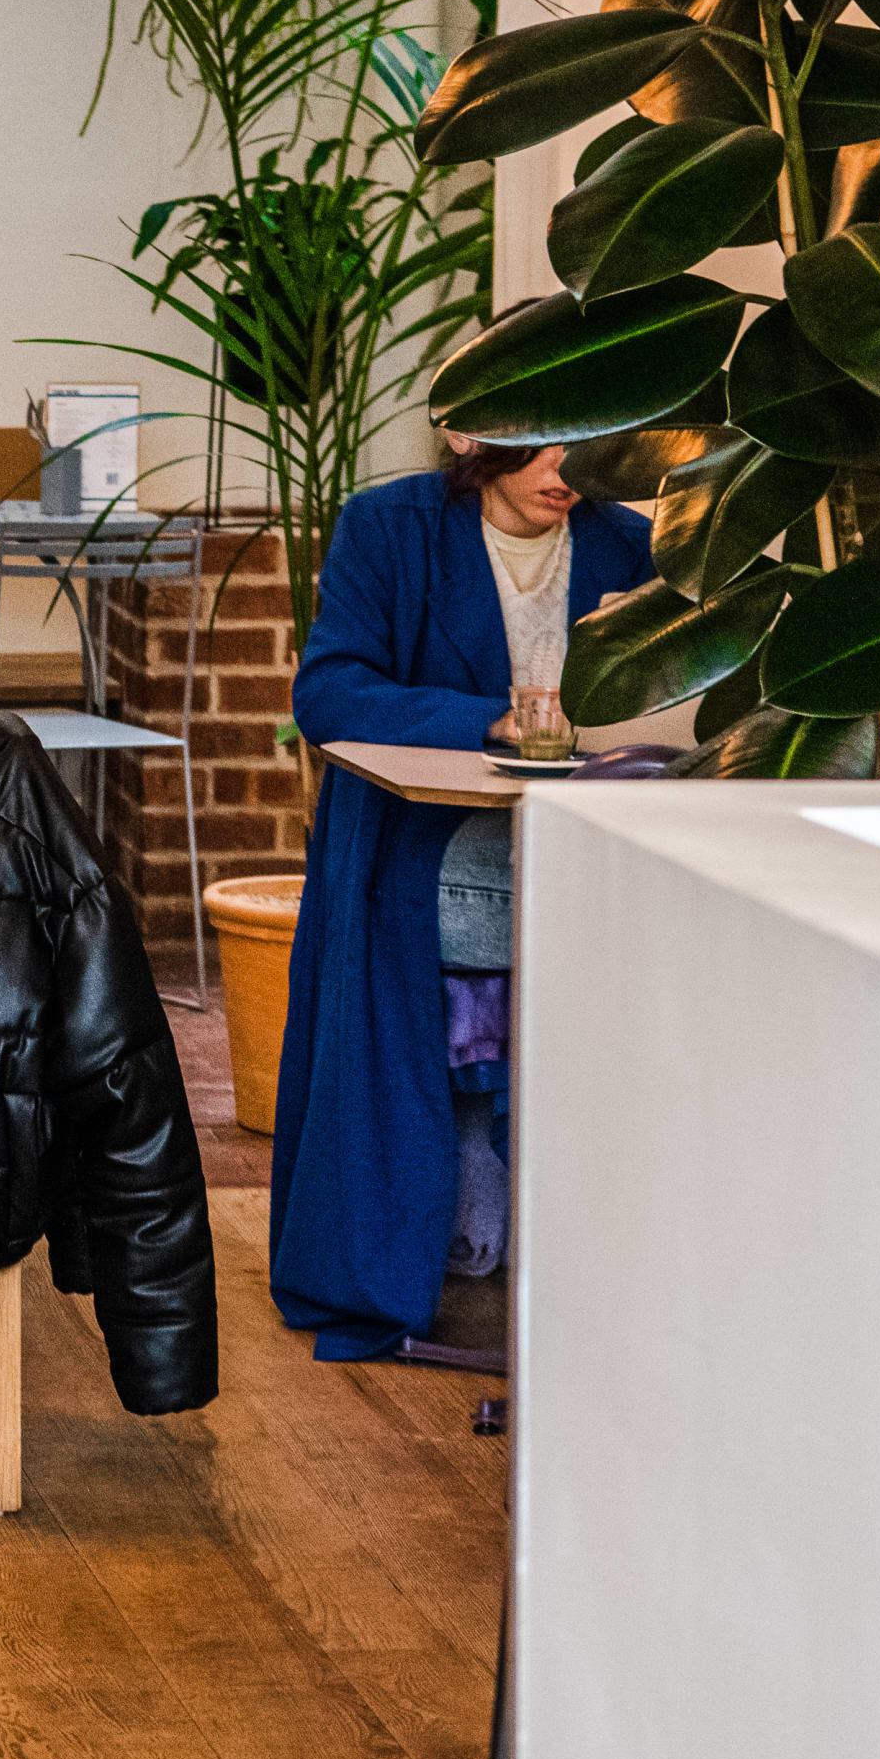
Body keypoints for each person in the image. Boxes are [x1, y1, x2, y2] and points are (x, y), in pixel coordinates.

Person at [270, 438, 653, 1364]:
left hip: (587, 841)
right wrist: (485, 719)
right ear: (472, 437)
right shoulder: (388, 529)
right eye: (543, 445)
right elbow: (328, 692)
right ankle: (430, 1247)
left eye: (587, 443)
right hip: (422, 840)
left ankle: (589, 1262)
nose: (566, 469)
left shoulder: (633, 546)